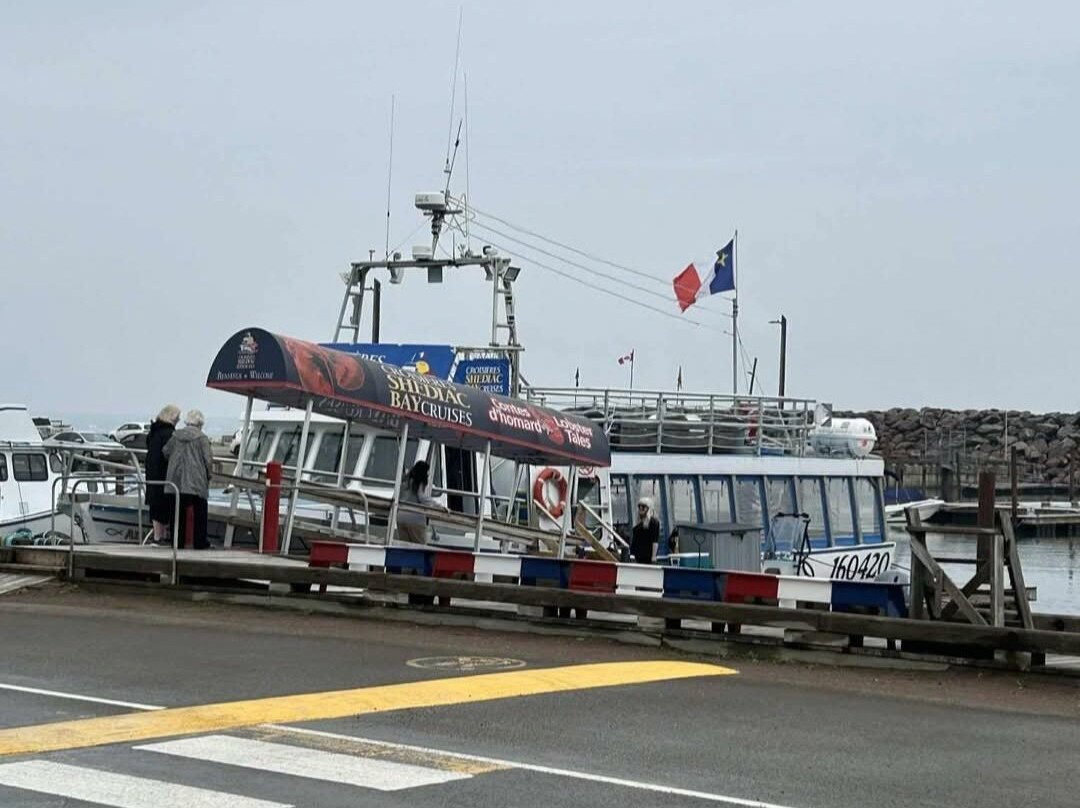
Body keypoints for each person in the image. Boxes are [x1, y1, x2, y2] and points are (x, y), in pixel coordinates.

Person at [164, 409, 213, 550]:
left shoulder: (175, 436)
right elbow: (208, 460)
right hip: (196, 481)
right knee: (200, 513)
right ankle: (199, 543)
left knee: (177, 513)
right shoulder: (202, 438)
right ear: (200, 424)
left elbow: (165, 452)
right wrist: (209, 475)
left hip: (176, 481)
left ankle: (176, 542)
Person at [146, 404, 180, 545]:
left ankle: (157, 536)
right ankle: (162, 536)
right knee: (165, 505)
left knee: (155, 505)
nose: (178, 419)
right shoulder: (169, 433)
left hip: (152, 472)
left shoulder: (153, 432)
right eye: (177, 417)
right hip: (164, 473)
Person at [396, 460, 443, 544]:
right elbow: (422, 497)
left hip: (400, 518)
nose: (428, 475)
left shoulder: (405, 482)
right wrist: (440, 507)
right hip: (415, 519)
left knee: (405, 548)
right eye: (427, 473)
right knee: (420, 548)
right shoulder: (419, 482)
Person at [630, 496, 660, 564]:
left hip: (647, 557)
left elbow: (655, 540)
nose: (640, 508)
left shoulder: (653, 522)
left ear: (648, 509)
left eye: (643, 506)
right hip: (637, 556)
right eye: (639, 506)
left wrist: (653, 556)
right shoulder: (639, 523)